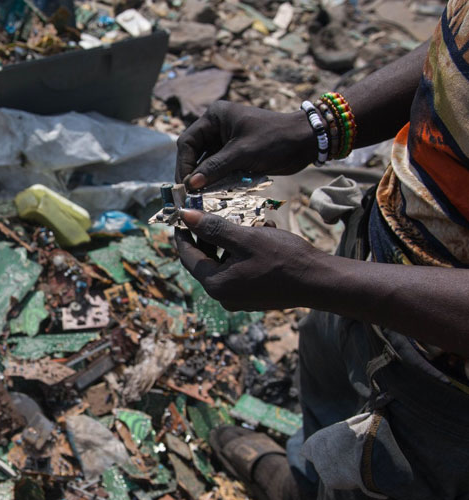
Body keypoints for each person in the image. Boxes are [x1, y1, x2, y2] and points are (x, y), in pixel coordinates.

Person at [172, 1, 469, 499]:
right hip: (370, 255)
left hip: (445, 389)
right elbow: (453, 50)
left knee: (382, 478)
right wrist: (316, 127)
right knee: (327, 393)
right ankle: (304, 481)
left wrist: (318, 278)